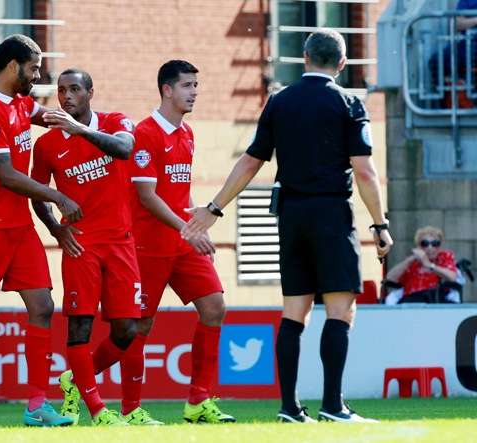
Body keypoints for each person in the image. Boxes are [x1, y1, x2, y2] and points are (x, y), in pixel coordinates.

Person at [182, 30, 393, 423]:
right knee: (339, 310)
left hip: (291, 217)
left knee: (294, 312)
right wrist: (380, 224)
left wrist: (214, 207)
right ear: (343, 64)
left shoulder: (280, 102)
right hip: (331, 214)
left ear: (305, 57)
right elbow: (364, 171)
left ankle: (290, 407)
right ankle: (333, 406)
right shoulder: (348, 102)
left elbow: (250, 161)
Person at [0, 34, 81, 429]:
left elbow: (50, 118)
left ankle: (37, 405)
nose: (38, 75)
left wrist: (90, 123)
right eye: (33, 68)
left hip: (19, 227)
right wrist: (56, 195)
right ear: (12, 66)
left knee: (43, 307)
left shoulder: (21, 104)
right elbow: (6, 175)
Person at [119, 60, 234, 425]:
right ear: (167, 90)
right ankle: (130, 409)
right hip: (147, 246)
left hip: (183, 242)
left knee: (214, 307)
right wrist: (190, 229)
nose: (194, 92)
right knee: (140, 327)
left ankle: (199, 400)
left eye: (196, 85)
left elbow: (176, 193)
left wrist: (195, 220)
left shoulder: (188, 134)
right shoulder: (145, 133)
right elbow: (148, 196)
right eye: (187, 86)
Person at [30, 68, 140, 426]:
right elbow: (37, 195)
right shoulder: (46, 144)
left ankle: (75, 380)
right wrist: (56, 231)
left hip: (121, 242)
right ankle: (96, 409)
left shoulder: (114, 121)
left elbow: (125, 149)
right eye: (61, 91)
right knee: (79, 326)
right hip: (81, 245)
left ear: (90, 92)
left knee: (127, 330)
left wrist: (82, 131)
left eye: (74, 89)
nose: (66, 97)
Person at [384, 226, 458, 304]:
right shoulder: (412, 262)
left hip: (435, 301)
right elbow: (390, 278)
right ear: (418, 246)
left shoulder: (444, 257)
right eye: (425, 244)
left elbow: (452, 277)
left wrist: (429, 265)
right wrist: (409, 260)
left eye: (435, 244)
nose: (430, 247)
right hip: (410, 302)